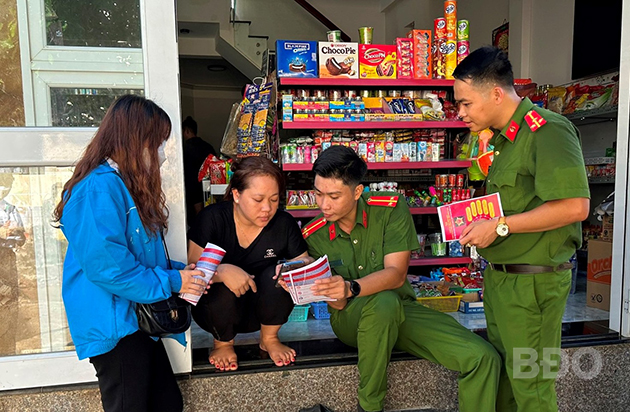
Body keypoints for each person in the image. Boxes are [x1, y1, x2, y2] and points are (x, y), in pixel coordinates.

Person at [301, 146, 501, 412]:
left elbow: (395, 275)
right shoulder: (314, 234)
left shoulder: (389, 209)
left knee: (483, 358)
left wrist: (349, 287)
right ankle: (369, 407)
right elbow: (336, 305)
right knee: (383, 303)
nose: (323, 204)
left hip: (401, 309)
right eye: (318, 193)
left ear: (357, 191)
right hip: (350, 319)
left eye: (334, 196)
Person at [453, 46, 590, 412]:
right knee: (511, 385)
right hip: (501, 280)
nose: (460, 113)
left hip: (534, 285)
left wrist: (499, 226)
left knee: (532, 389)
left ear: (496, 94)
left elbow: (575, 207)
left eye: (466, 104)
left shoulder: (547, 131)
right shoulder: (499, 139)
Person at [53, 95, 209, 412]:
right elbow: (110, 269)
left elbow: (138, 258)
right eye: (159, 143)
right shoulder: (97, 188)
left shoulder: (121, 184)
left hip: (135, 320)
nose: (164, 154)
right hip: (114, 325)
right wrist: (175, 280)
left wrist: (183, 272)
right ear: (135, 141)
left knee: (166, 404)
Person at [188, 156, 311, 372]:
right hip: (218, 314)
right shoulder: (211, 219)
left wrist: (293, 270)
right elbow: (191, 274)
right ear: (236, 194)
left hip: (262, 313)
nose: (267, 208)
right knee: (220, 287)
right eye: (258, 199)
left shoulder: (284, 223)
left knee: (277, 276)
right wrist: (222, 271)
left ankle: (270, 338)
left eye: (274, 200)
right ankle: (223, 344)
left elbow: (304, 261)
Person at [0, 173, 26, 355]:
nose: (4, 190)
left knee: (10, 302)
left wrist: (17, 233)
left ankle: (9, 350)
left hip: (8, 257)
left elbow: (22, 237)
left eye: (7, 186)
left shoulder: (10, 208)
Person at [182, 116, 217, 228]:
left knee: (196, 224)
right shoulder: (208, 147)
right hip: (209, 190)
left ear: (186, 131)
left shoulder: (185, 149)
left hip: (191, 190)